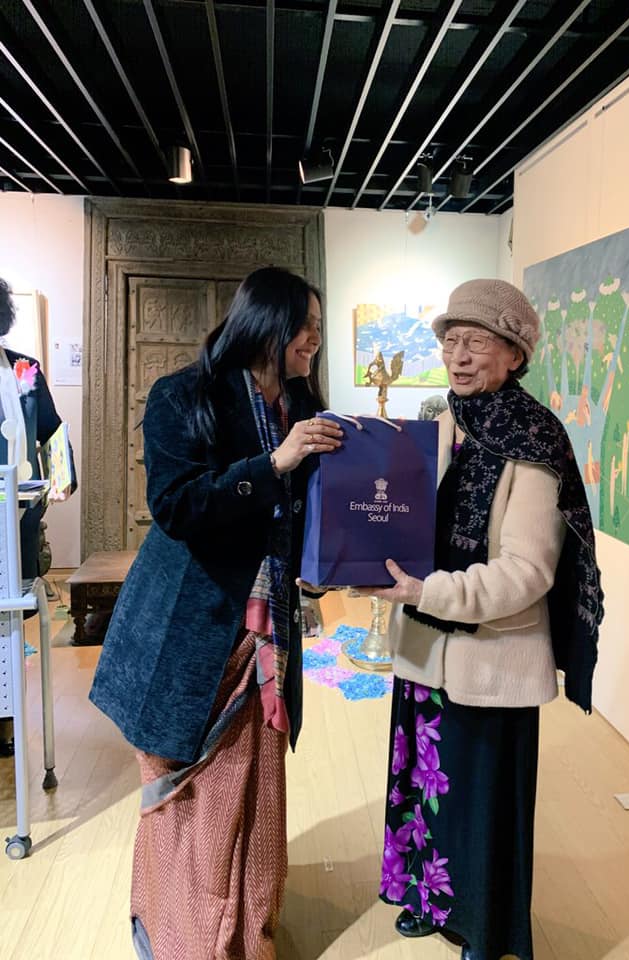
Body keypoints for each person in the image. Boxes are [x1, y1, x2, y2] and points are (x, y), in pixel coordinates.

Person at [89, 267, 343, 960]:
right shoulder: (183, 395)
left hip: (266, 632)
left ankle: (246, 925)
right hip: (187, 633)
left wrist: (330, 558)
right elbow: (176, 506)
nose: (314, 340)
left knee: (255, 791)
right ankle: (187, 936)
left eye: (318, 328)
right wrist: (273, 464)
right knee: (187, 796)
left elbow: (313, 509)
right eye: (305, 326)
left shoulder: (302, 403)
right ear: (265, 325)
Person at [363, 279, 603, 960]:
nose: (458, 356)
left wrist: (426, 590)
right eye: (451, 341)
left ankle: (484, 928)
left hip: (490, 658)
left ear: (514, 354)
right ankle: (422, 897)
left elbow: (527, 573)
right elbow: (399, 516)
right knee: (423, 789)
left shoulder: (535, 439)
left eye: (475, 342)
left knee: (480, 805)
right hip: (424, 649)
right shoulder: (440, 421)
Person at [0, 277, 76, 757]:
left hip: (18, 519)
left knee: (10, 623)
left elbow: (50, 429)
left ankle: (6, 722)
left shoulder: (23, 369)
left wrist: (61, 478)